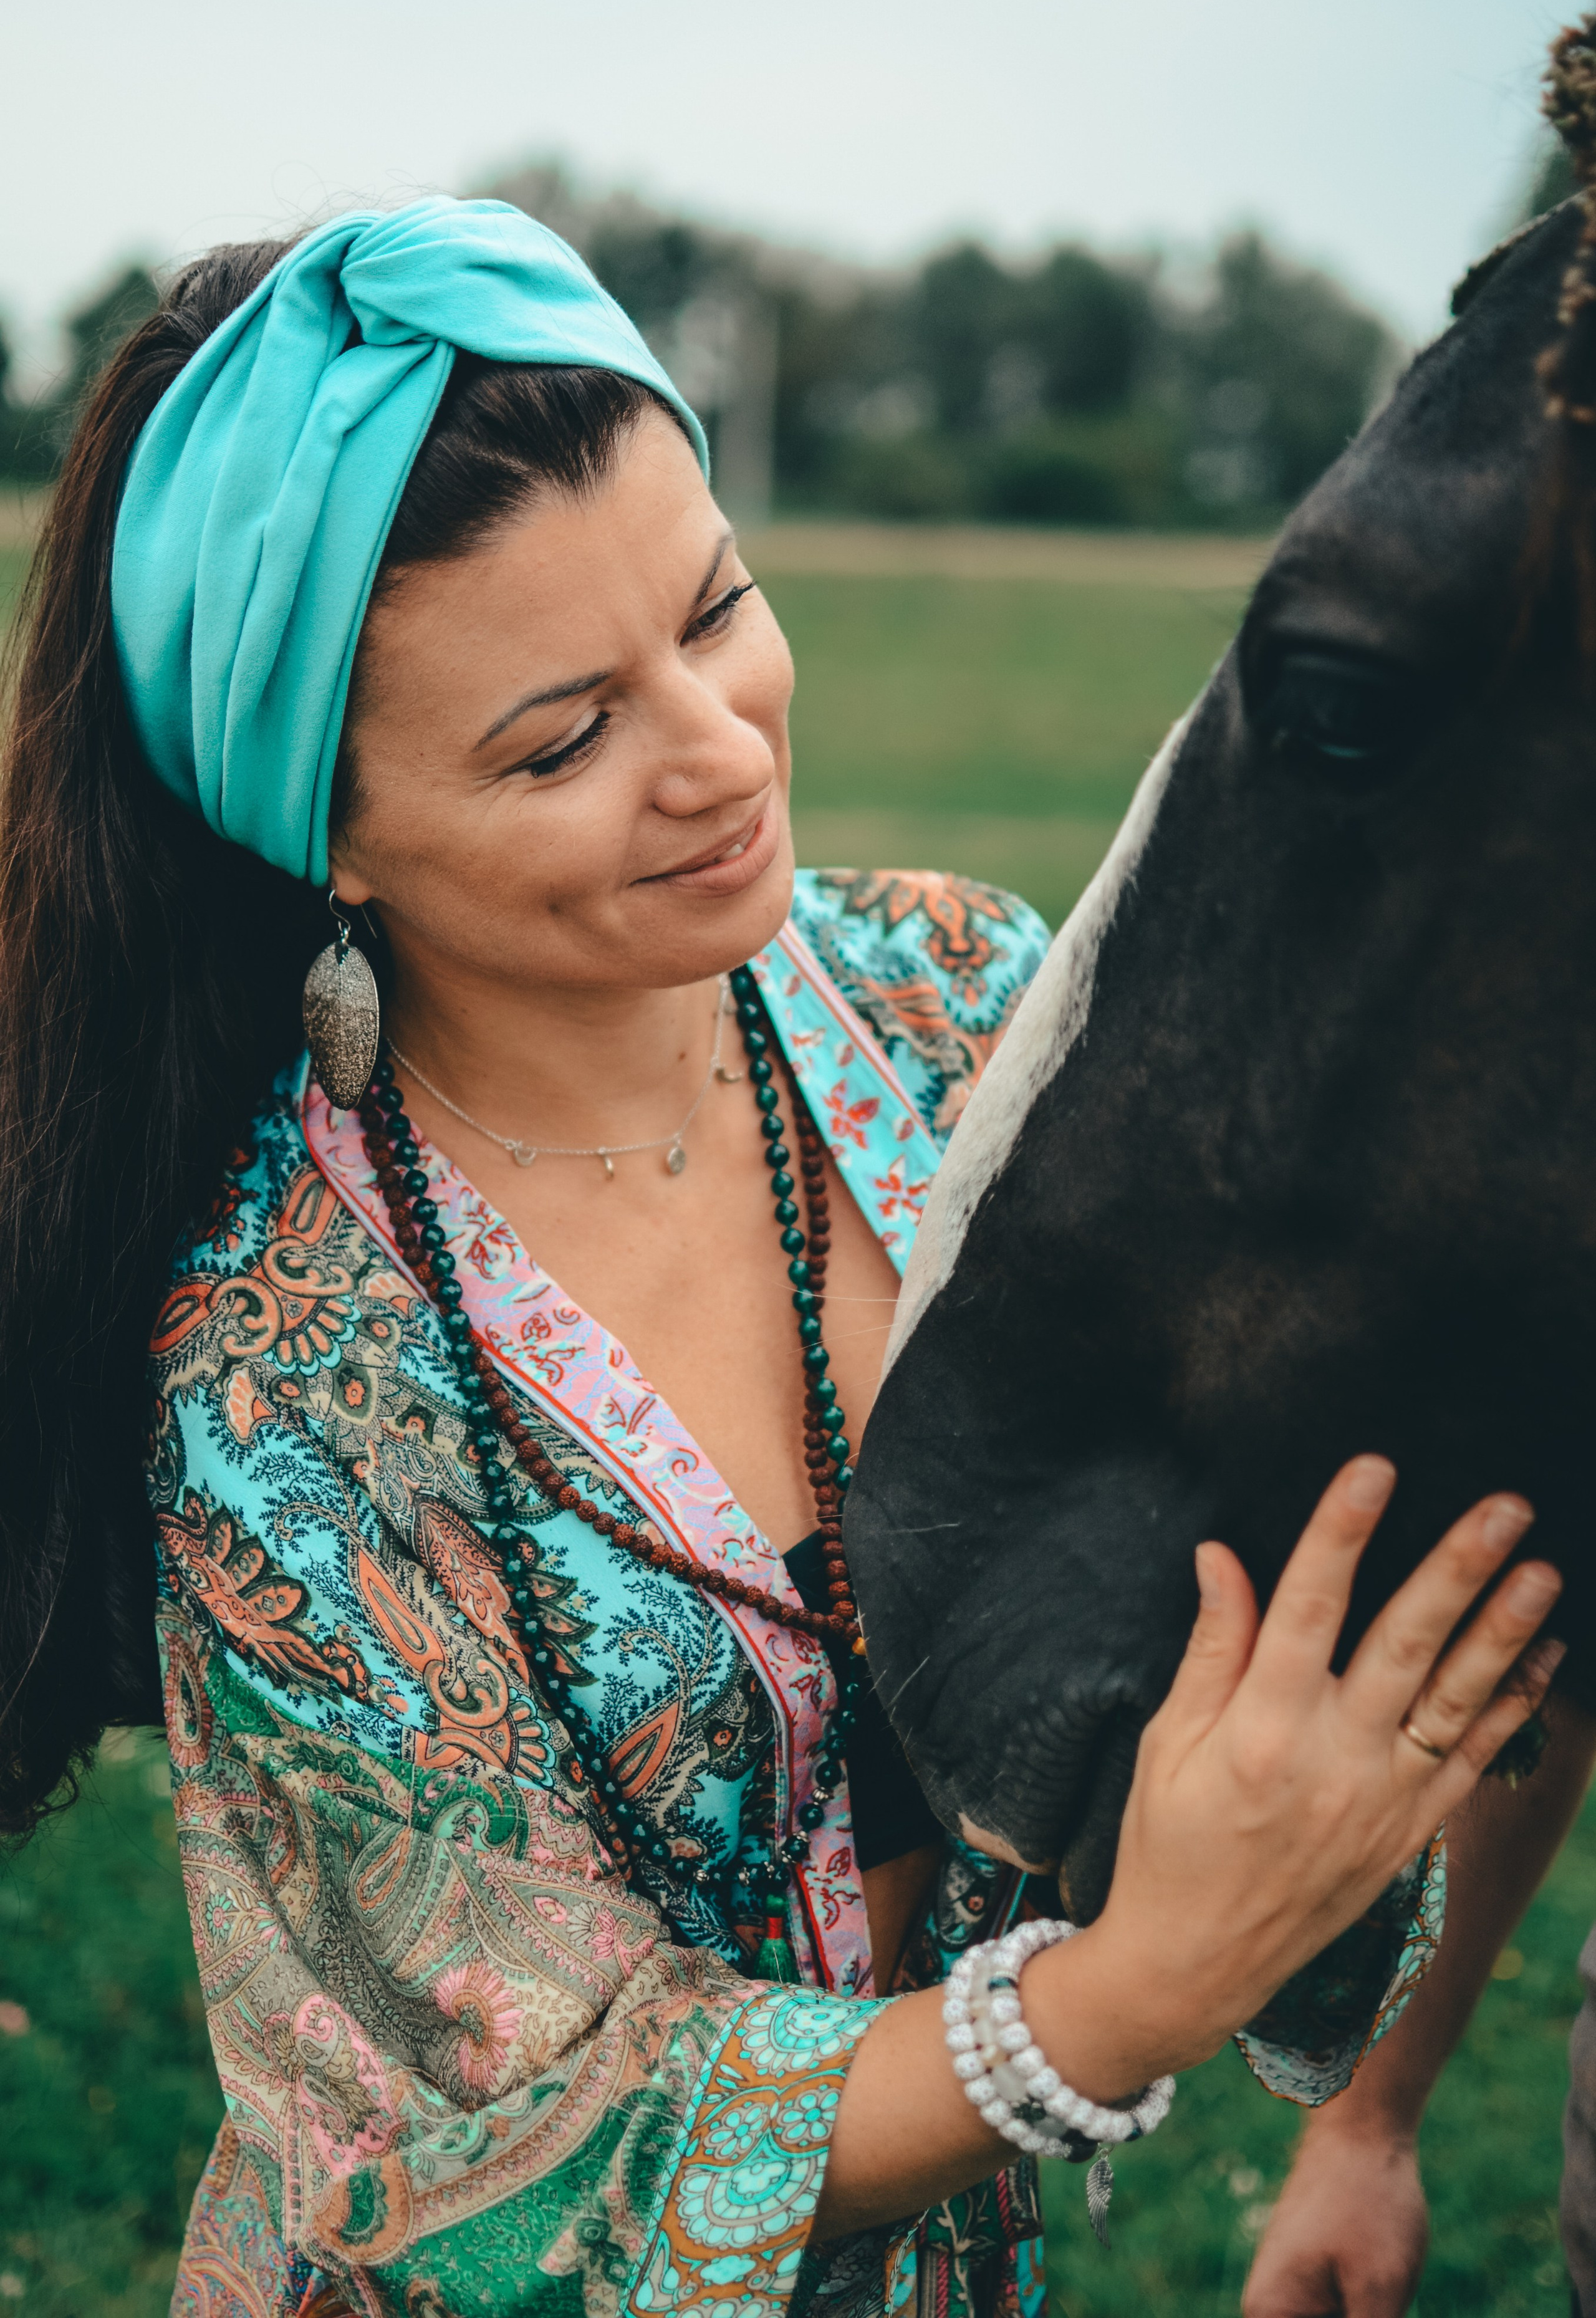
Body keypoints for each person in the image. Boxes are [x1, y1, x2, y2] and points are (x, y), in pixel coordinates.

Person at [0, 198, 1565, 2318]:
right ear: (330, 839)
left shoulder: (958, 995)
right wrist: (1116, 1999)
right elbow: (501, 2177)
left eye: (717, 605)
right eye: (563, 740)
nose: (726, 752)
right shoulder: (277, 1378)